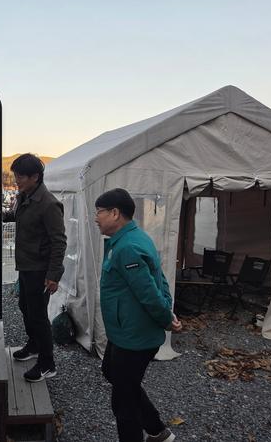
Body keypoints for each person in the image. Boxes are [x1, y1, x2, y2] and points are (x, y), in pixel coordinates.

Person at [94, 188, 182, 442]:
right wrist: (167, 310)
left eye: (99, 212)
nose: (96, 218)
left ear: (115, 213)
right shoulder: (132, 238)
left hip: (134, 335)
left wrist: (167, 318)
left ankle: (152, 432)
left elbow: (149, 293)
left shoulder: (128, 247)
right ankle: (157, 430)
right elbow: (160, 277)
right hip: (124, 331)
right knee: (111, 371)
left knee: (124, 403)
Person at [3, 153, 67, 382]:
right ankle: (34, 345)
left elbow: (59, 242)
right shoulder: (25, 196)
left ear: (35, 177)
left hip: (40, 269)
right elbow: (19, 217)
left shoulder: (49, 204)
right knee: (25, 307)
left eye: (21, 176)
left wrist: (53, 276)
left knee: (39, 315)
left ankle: (48, 363)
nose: (16, 180)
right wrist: (1, 215)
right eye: (16, 175)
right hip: (26, 266)